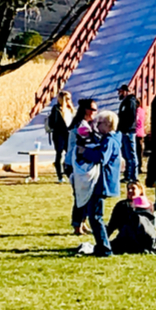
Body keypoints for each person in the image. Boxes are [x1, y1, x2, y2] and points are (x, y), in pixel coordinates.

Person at [77, 110, 121, 257]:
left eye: (100, 123)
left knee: (95, 215)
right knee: (94, 214)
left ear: (108, 124)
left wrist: (84, 151)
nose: (97, 126)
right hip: (104, 182)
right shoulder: (111, 139)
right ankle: (103, 245)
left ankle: (104, 248)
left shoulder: (109, 140)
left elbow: (102, 157)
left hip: (103, 182)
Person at [107, 182, 156, 254]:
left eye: (133, 188)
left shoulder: (123, 205)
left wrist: (104, 238)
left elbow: (112, 224)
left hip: (128, 238)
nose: (130, 191)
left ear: (140, 190)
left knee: (113, 246)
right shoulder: (149, 204)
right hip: (147, 238)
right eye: (128, 189)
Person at [66, 98, 97, 235]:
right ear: (86, 110)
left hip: (77, 163)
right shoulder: (81, 126)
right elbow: (88, 142)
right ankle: (77, 225)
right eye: (93, 109)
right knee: (80, 194)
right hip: (75, 164)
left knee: (86, 194)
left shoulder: (84, 124)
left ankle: (82, 223)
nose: (96, 112)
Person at [46, 91, 74, 184]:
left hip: (68, 134)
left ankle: (69, 172)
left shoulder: (71, 109)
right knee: (59, 154)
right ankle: (60, 176)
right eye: (67, 99)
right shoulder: (57, 109)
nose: (69, 100)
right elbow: (54, 123)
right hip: (59, 135)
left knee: (69, 154)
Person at [116, 84, 139, 183]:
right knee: (126, 155)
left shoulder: (130, 102)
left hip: (128, 132)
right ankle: (128, 175)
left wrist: (126, 128)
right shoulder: (125, 102)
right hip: (124, 131)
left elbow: (131, 117)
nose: (119, 94)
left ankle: (133, 176)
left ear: (126, 91)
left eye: (120, 91)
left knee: (131, 154)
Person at [135, 101, 146, 175]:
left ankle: (137, 167)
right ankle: (139, 166)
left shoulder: (136, 112)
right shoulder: (142, 111)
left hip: (136, 133)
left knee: (136, 152)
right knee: (140, 152)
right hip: (141, 133)